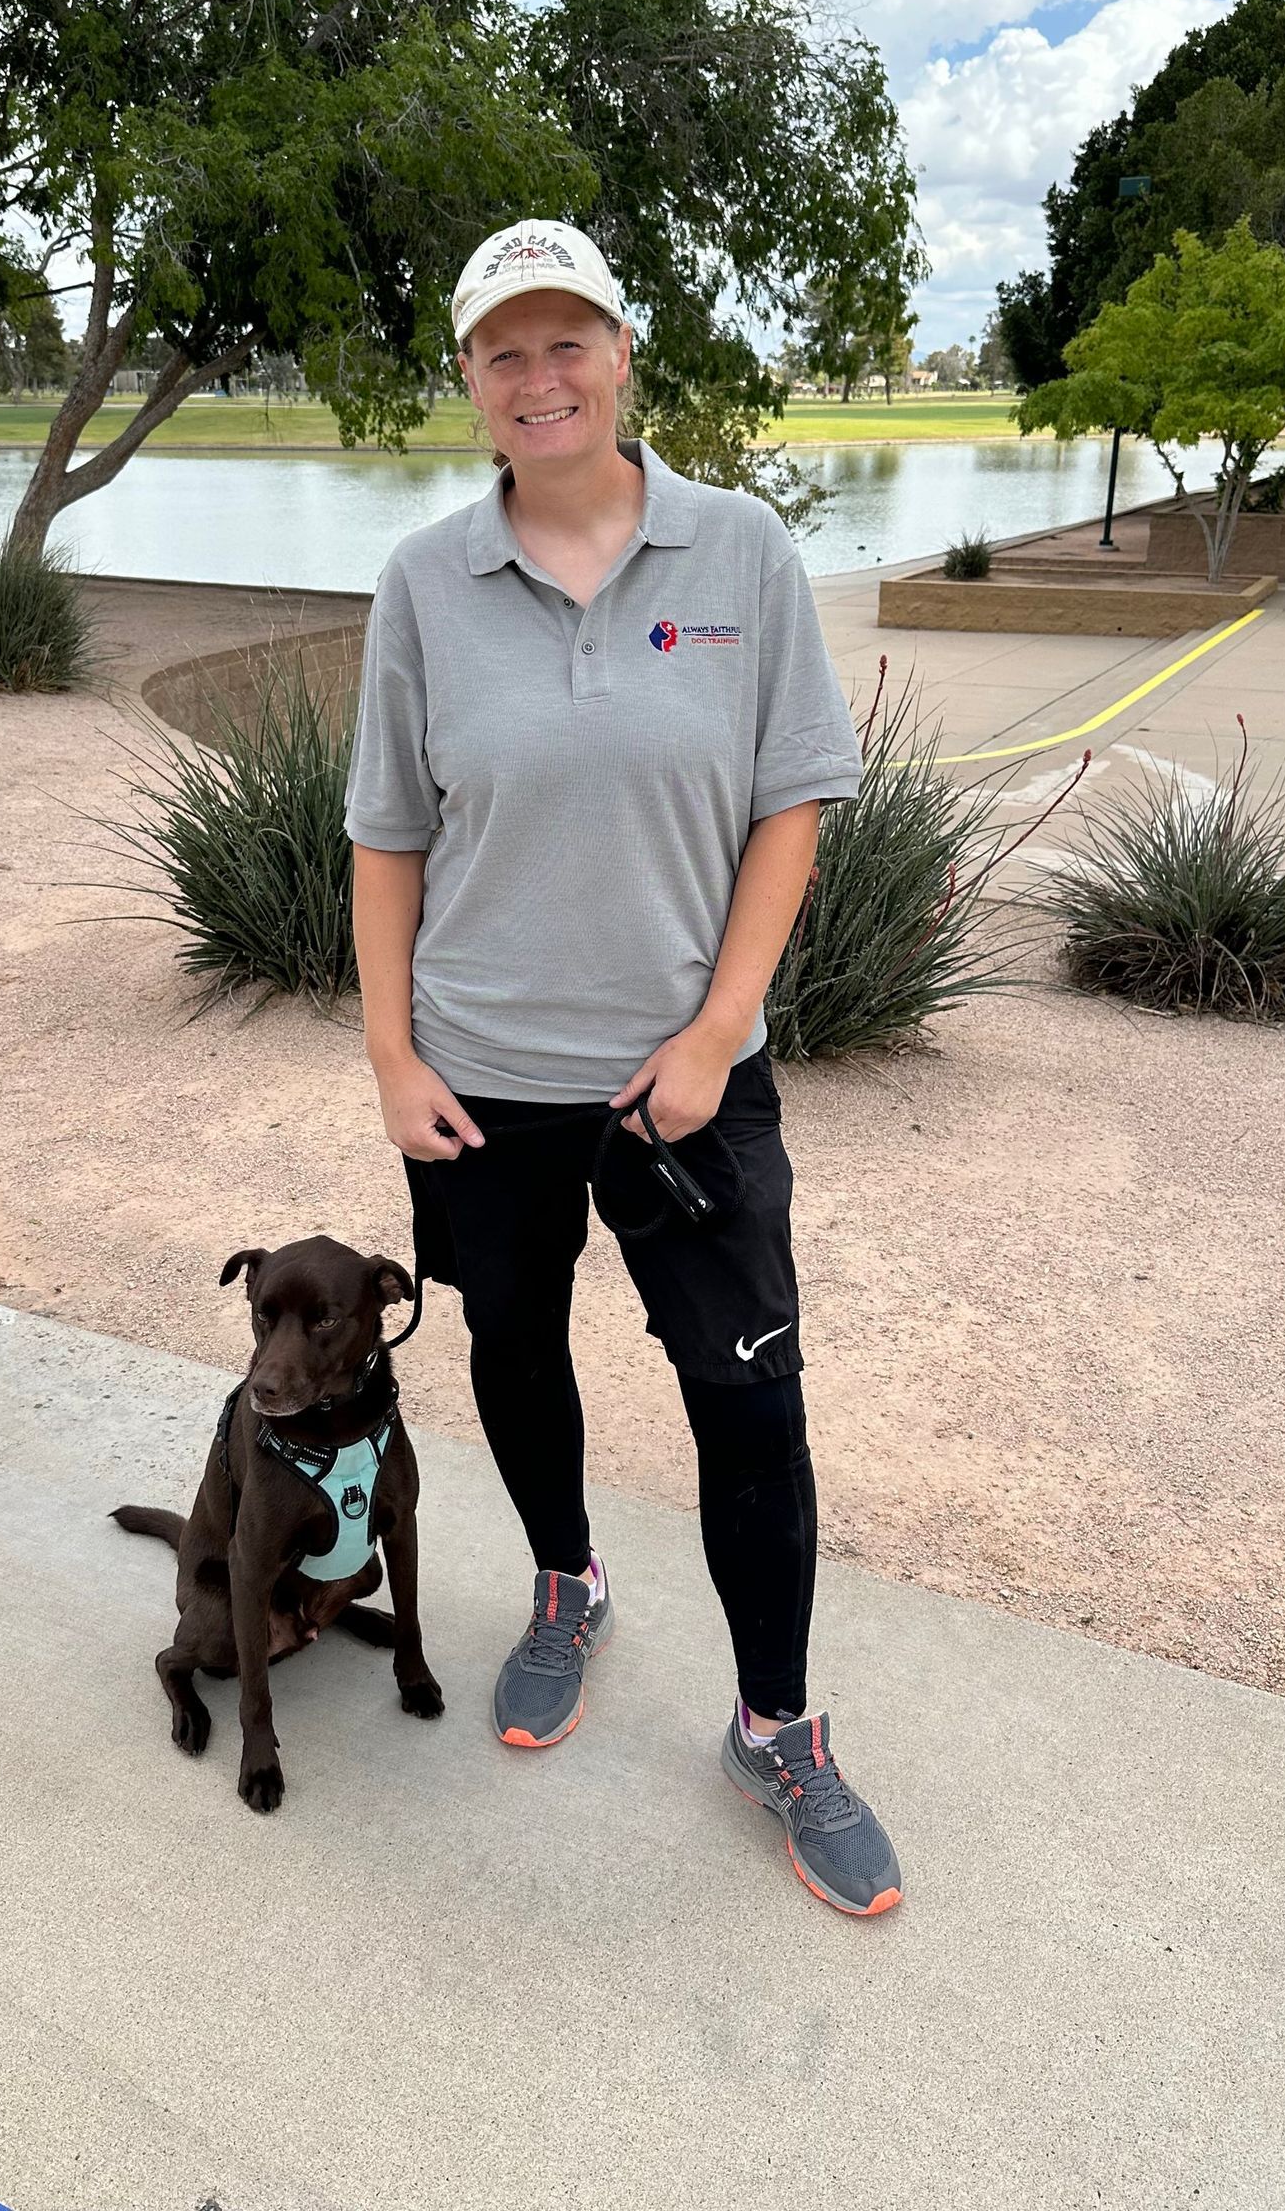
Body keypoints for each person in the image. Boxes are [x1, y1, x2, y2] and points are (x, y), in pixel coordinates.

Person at [343, 219, 901, 1916]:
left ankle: (777, 1726)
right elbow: (386, 837)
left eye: (565, 342)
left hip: (685, 1084)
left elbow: (791, 800)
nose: (539, 379)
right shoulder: (424, 584)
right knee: (516, 1354)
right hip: (480, 1081)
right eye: (502, 353)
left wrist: (721, 1029)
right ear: (467, 382)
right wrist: (388, 1053)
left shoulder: (740, 557)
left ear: (623, 352)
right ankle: (566, 1585)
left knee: (753, 1408)